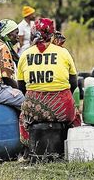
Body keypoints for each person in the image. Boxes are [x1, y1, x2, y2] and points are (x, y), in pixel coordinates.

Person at [18, 18, 80, 146]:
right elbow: (74, 84)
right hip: (62, 107)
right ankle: (72, 146)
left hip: (33, 108)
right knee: (75, 117)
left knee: (23, 119)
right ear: (52, 34)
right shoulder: (63, 52)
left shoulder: (25, 54)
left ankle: (27, 151)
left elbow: (21, 87)